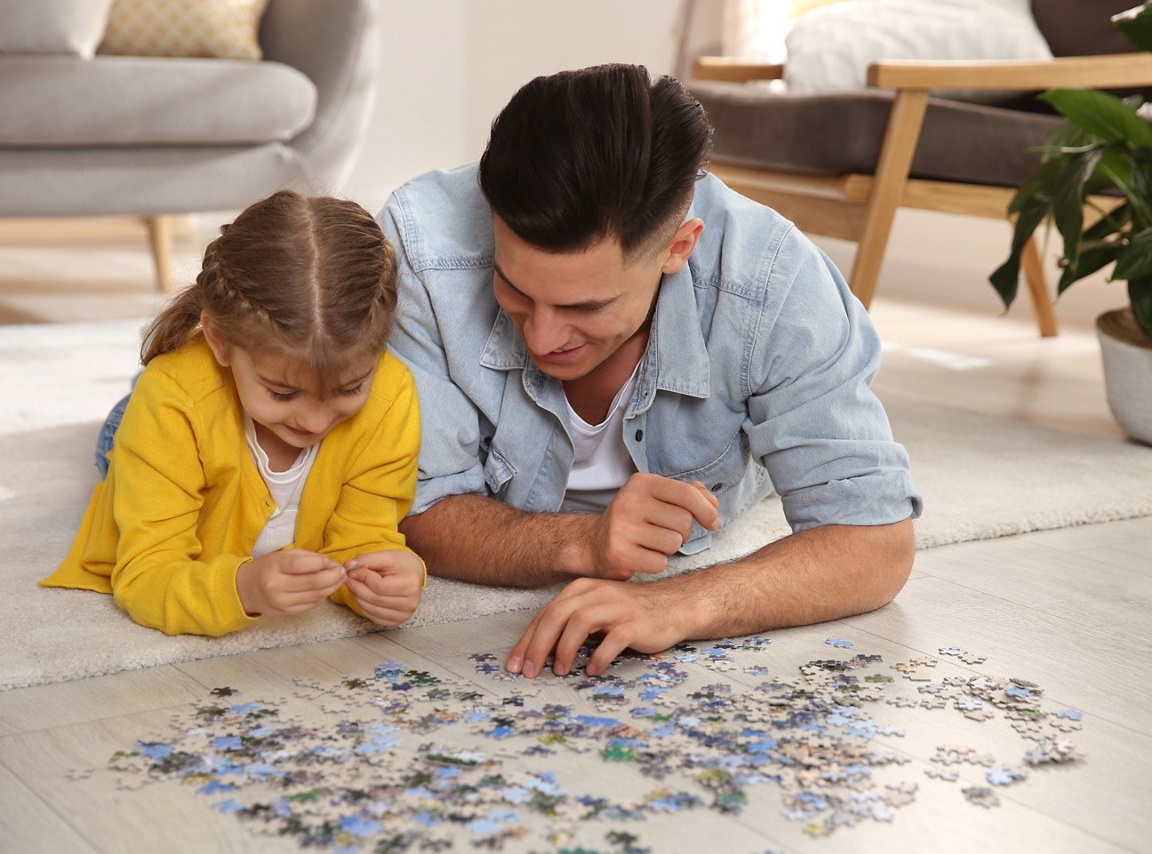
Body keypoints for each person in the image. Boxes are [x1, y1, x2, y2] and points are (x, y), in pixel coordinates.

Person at [379, 64, 922, 678]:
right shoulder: (421, 246)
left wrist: (682, 603)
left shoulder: (775, 284)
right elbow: (413, 507)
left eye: (586, 307)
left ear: (677, 248)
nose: (543, 336)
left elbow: (875, 541)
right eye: (515, 289)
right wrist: (583, 543)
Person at [42, 191, 426, 637]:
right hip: (166, 412)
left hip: (204, 395)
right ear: (220, 340)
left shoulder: (392, 392)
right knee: (132, 418)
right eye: (282, 392)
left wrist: (384, 576)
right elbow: (145, 575)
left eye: (350, 388)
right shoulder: (174, 402)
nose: (316, 422)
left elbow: (367, 536)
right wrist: (244, 589)